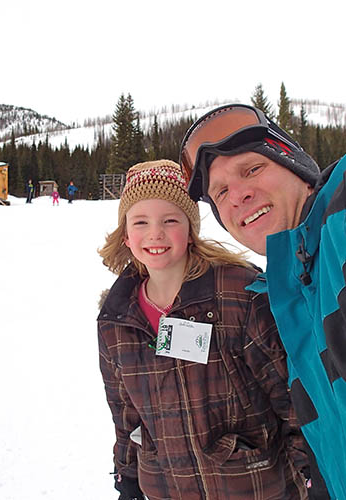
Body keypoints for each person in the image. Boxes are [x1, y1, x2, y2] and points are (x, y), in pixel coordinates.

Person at [97, 159, 310, 500]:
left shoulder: (241, 293)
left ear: (191, 228)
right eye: (141, 221)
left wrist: (311, 473)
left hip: (255, 486)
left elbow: (292, 399)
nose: (155, 234)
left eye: (170, 220)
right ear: (126, 234)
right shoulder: (116, 319)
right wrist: (129, 478)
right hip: (167, 488)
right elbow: (126, 416)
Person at [180, 103, 346, 499]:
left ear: (295, 166)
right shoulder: (278, 299)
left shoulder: (339, 223)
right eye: (220, 192)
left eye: (252, 169)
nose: (238, 195)